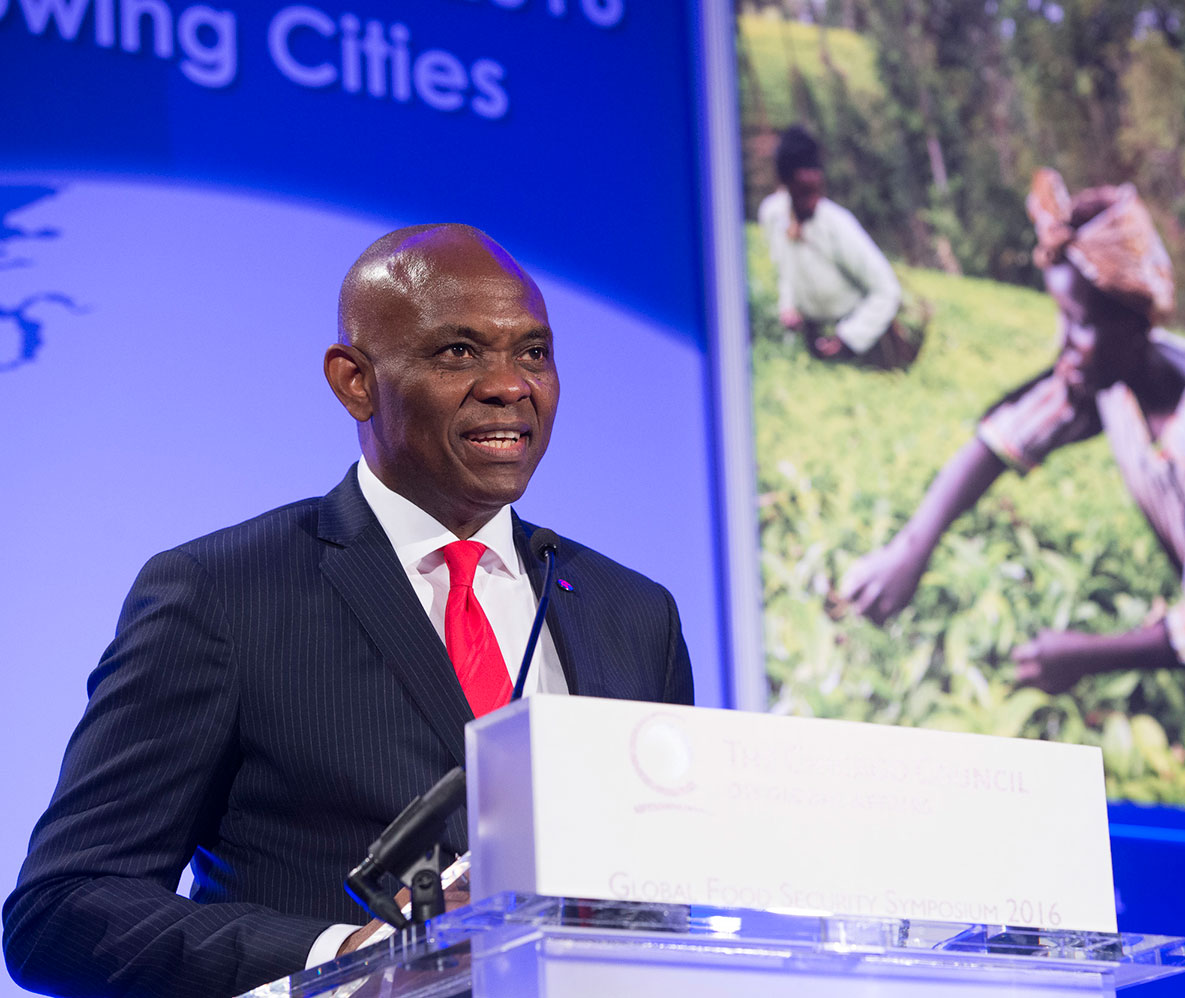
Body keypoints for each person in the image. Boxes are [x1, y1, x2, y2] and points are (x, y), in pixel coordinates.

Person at [3, 224, 695, 998]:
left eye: (533, 352)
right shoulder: (222, 593)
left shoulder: (633, 614)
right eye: (458, 351)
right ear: (354, 381)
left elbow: (673, 887)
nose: (510, 385)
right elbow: (62, 911)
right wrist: (350, 954)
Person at [836, 169, 1185, 707]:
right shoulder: (1109, 377)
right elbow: (1001, 441)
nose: (1066, 347)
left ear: (1136, 322)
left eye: (1081, 324)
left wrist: (1082, 656)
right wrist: (909, 551)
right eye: (1062, 319)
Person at [758, 126, 921, 370]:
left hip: (863, 343)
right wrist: (788, 307)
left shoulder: (837, 225)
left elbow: (887, 289)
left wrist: (848, 338)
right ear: (787, 183)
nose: (811, 201)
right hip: (813, 339)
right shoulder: (773, 214)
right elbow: (784, 269)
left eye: (815, 190)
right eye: (802, 191)